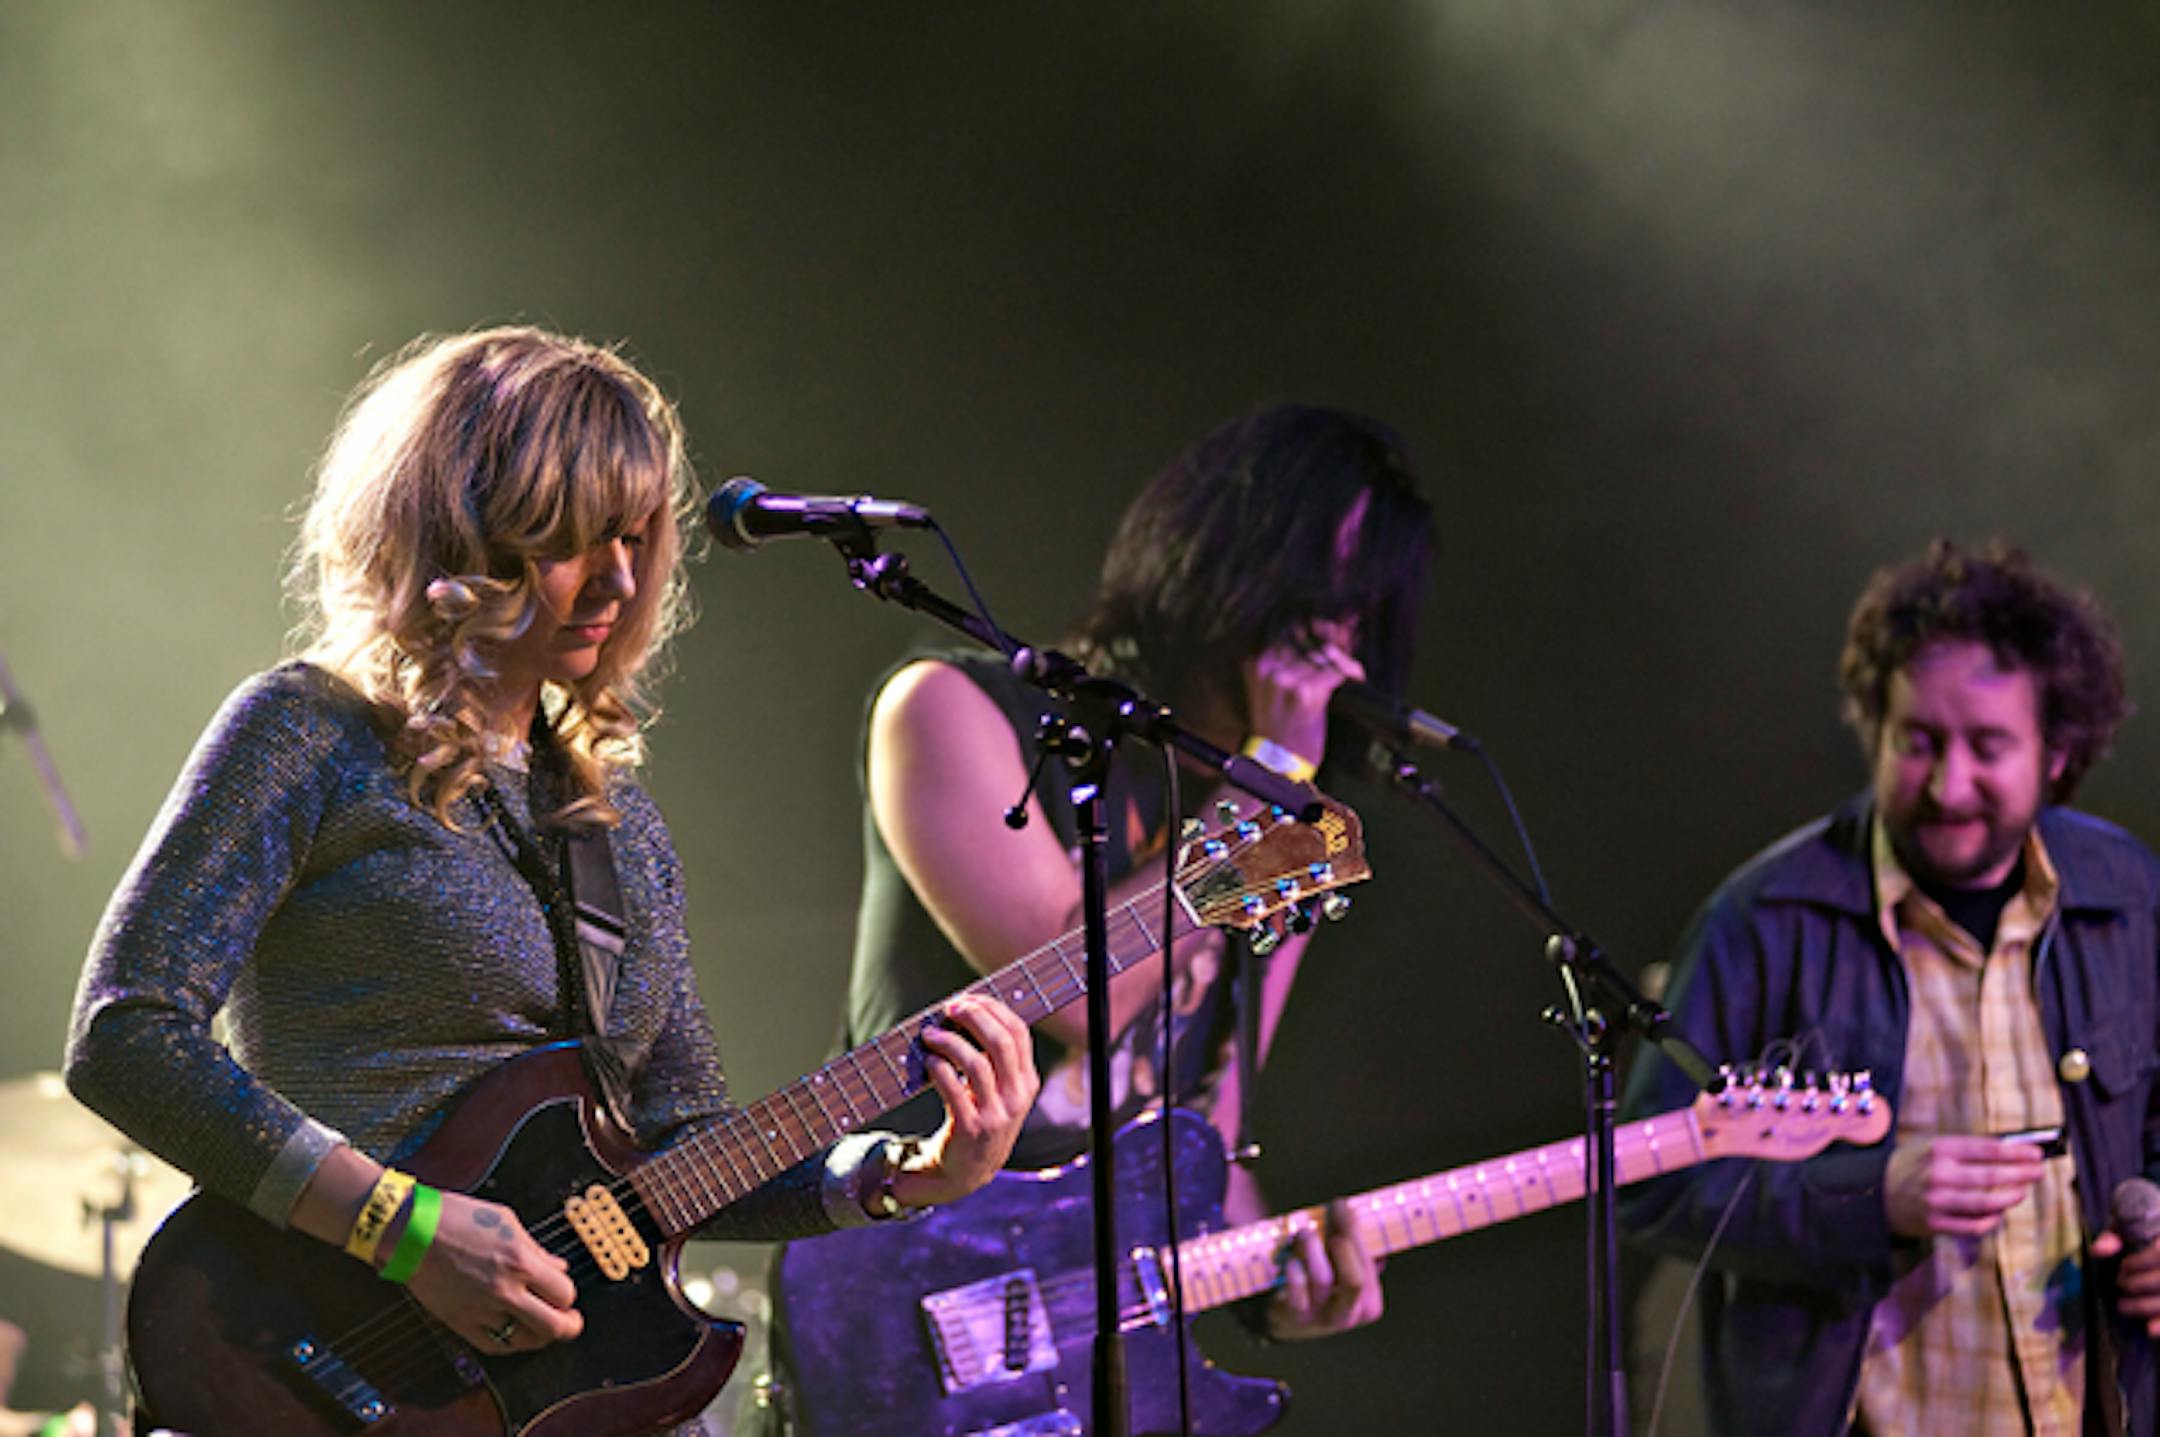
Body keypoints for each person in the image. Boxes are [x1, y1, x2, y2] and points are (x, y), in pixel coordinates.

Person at [63, 326, 1038, 1433]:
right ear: (456, 535)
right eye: (570, 540)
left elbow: (682, 1146)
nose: (620, 579)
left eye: (637, 537)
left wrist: (902, 1170)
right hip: (303, 1354)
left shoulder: (616, 825)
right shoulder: (310, 731)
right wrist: (406, 1229)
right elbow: (125, 1029)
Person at [755, 403, 1436, 1428]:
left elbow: (1201, 1137)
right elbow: (1086, 997)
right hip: (904, 1301)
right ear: (1226, 559)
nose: (1336, 644)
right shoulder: (951, 710)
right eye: (1317, 599)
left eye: (1363, 616)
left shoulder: (1279, 824)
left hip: (1086, 1359)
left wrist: (1277, 1286)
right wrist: (1275, 780)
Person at [1618, 540, 2160, 1435]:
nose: (1949, 785)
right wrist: (1870, 1198)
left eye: (1988, 746)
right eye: (1918, 741)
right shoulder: (1766, 916)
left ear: (2058, 752)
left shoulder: (2130, 894)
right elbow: (1649, 1179)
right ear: (1872, 726)